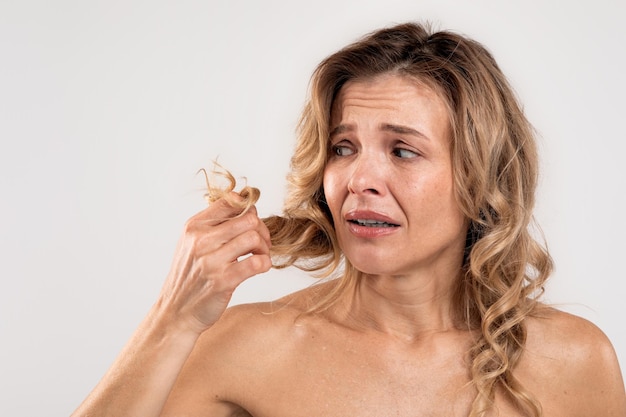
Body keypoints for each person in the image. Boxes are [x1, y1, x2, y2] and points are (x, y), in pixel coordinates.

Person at [71, 22, 626, 417]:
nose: (359, 179)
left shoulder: (574, 360)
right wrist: (174, 319)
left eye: (402, 151)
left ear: (480, 177)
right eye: (342, 147)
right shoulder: (248, 348)